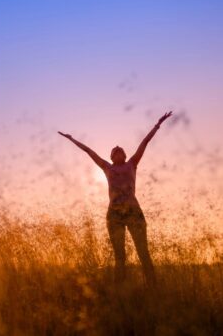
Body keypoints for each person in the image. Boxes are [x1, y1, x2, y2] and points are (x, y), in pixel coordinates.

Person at [58, 112, 173, 287]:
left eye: (120, 151)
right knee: (120, 256)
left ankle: (153, 287)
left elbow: (145, 142)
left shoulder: (132, 164)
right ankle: (120, 291)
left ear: (125, 156)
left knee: (143, 253)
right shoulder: (106, 167)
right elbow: (89, 151)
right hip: (114, 214)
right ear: (111, 157)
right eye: (115, 152)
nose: (118, 152)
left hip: (134, 211)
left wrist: (158, 124)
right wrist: (71, 139)